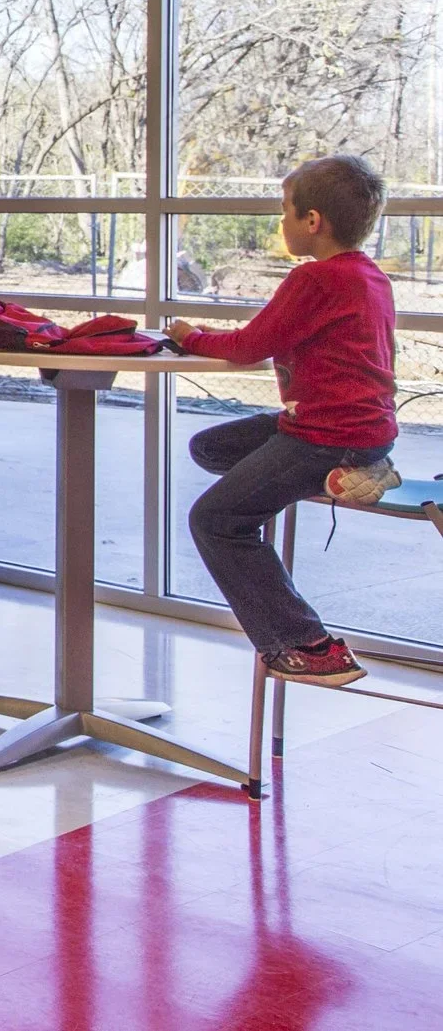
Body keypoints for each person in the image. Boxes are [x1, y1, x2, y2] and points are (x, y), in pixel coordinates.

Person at [168, 155, 402, 686]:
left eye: (284, 210)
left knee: (216, 520)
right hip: (363, 429)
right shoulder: (370, 276)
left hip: (328, 435)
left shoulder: (314, 279)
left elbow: (250, 346)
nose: (281, 221)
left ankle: (307, 645)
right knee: (210, 448)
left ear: (312, 221)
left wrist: (189, 337)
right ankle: (361, 469)